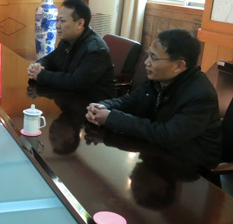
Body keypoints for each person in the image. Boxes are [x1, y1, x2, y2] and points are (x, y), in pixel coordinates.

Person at [86, 28, 222, 169]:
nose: (146, 62)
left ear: (179, 65)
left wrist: (111, 118)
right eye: (148, 55)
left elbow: (166, 135)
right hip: (155, 154)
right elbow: (128, 102)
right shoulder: (159, 79)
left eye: (153, 57)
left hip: (190, 169)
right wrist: (102, 107)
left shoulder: (201, 95)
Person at [27, 0, 115, 101]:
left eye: (62, 21)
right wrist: (38, 66)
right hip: (68, 98)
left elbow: (76, 82)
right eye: (57, 20)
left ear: (80, 24)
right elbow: (49, 60)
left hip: (91, 105)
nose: (57, 26)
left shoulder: (96, 50)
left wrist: (41, 76)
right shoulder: (67, 40)